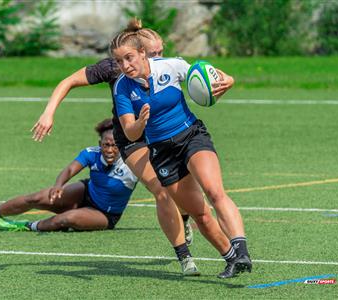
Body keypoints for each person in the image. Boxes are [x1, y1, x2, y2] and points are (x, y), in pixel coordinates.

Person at [30, 18, 237, 277]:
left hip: (166, 133)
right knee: (162, 191)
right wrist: (49, 112)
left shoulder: (160, 67)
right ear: (140, 50)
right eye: (155, 53)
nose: (159, 57)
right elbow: (69, 80)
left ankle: (222, 242)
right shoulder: (114, 68)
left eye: (161, 52)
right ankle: (184, 256)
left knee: (193, 193)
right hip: (133, 138)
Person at [110, 26, 252, 279]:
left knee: (214, 190)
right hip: (162, 151)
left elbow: (214, 75)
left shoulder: (171, 66)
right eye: (119, 61)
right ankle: (231, 259)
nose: (125, 65)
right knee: (199, 214)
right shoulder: (122, 88)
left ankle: (241, 249)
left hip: (191, 136)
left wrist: (228, 80)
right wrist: (140, 123)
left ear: (143, 53)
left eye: (128, 57)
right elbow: (130, 133)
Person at [0, 119, 137, 232]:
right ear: (100, 143)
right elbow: (69, 170)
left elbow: (156, 186)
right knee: (36, 197)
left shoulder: (133, 165)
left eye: (115, 145)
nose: (110, 149)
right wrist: (58, 185)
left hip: (105, 214)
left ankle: (25, 226)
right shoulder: (92, 153)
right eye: (106, 145)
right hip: (85, 192)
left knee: (66, 219)